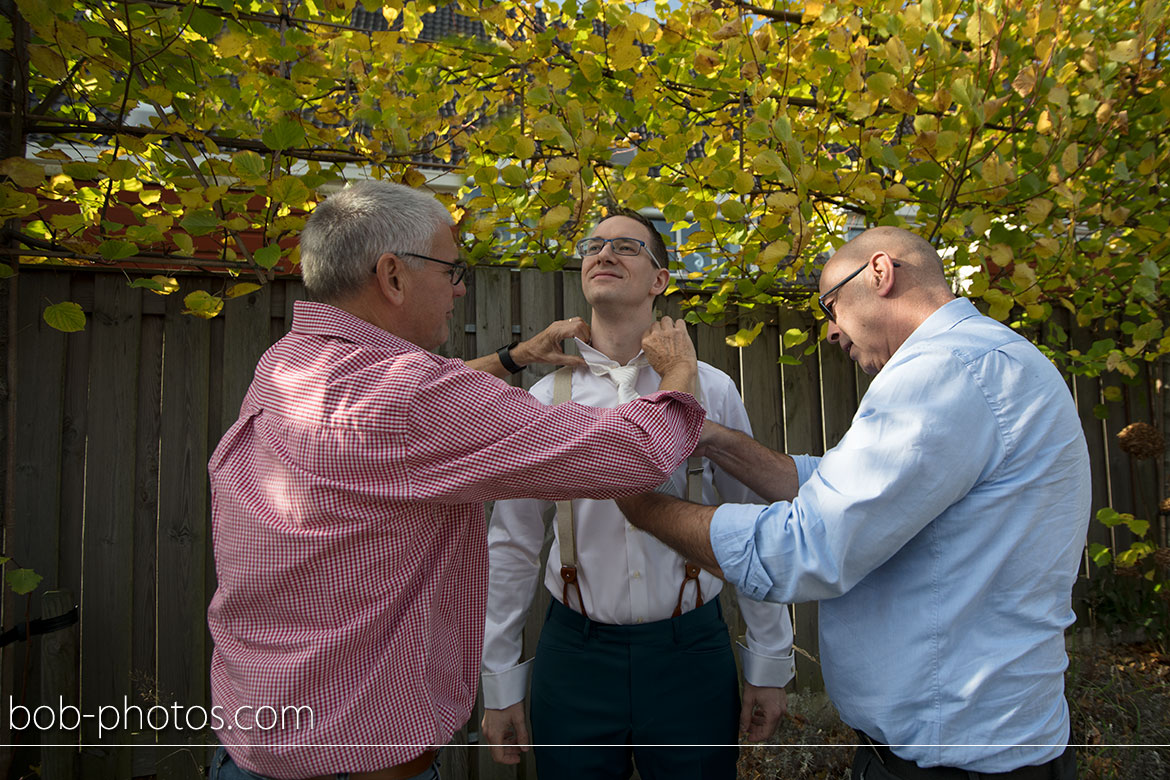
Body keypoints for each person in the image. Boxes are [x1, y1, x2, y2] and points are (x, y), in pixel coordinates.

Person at [205, 181, 708, 780]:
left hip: (253, 739)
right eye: (451, 268)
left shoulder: (289, 366)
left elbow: (394, 411)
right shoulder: (415, 400)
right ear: (393, 276)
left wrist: (513, 358)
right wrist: (679, 373)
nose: (461, 286)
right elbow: (636, 451)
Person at [616, 226, 1090, 780]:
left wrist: (639, 504)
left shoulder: (946, 371)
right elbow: (836, 485)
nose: (831, 331)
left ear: (881, 273)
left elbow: (805, 548)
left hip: (953, 755)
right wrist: (711, 437)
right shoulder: (984, 356)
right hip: (966, 739)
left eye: (830, 303)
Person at [480, 210, 795, 779]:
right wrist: (500, 680)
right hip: (574, 655)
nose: (603, 253)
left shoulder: (710, 388)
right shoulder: (547, 395)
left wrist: (768, 664)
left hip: (691, 651)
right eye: (593, 245)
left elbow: (753, 526)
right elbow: (513, 543)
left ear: (659, 280)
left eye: (625, 246)